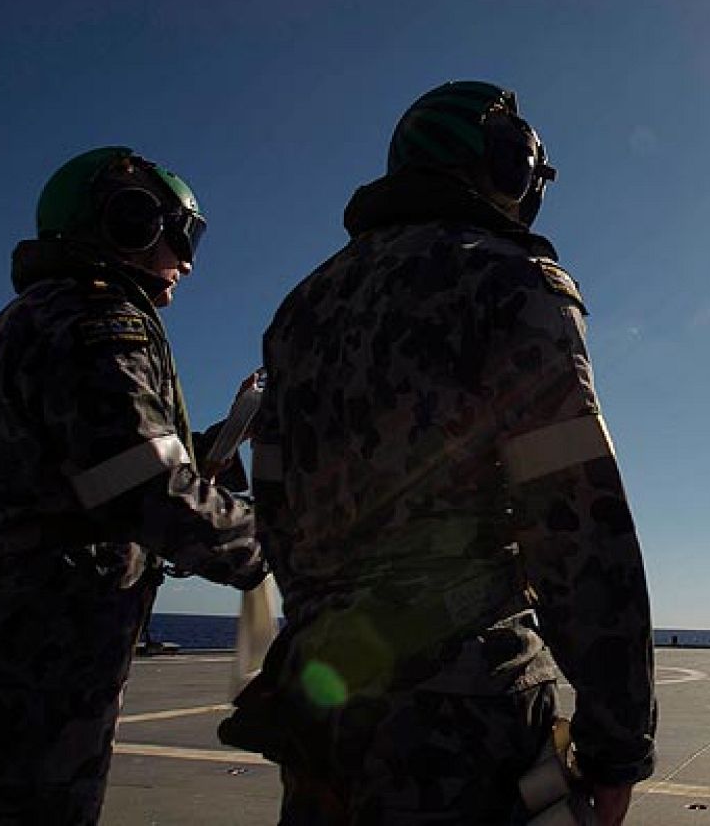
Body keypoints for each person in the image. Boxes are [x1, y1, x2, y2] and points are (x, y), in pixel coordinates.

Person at [234, 81, 656, 824]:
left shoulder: (300, 311)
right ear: (506, 165)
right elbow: (576, 518)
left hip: (323, 697)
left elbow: (275, 509)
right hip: (460, 711)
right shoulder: (509, 279)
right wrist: (619, 741)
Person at [0, 147, 268, 823]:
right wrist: (265, 544)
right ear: (127, 223)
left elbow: (97, 466)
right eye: (180, 232)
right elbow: (144, 485)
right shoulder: (97, 321)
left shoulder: (36, 317)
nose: (187, 256)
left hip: (12, 617)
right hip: (49, 636)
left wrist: (221, 444)